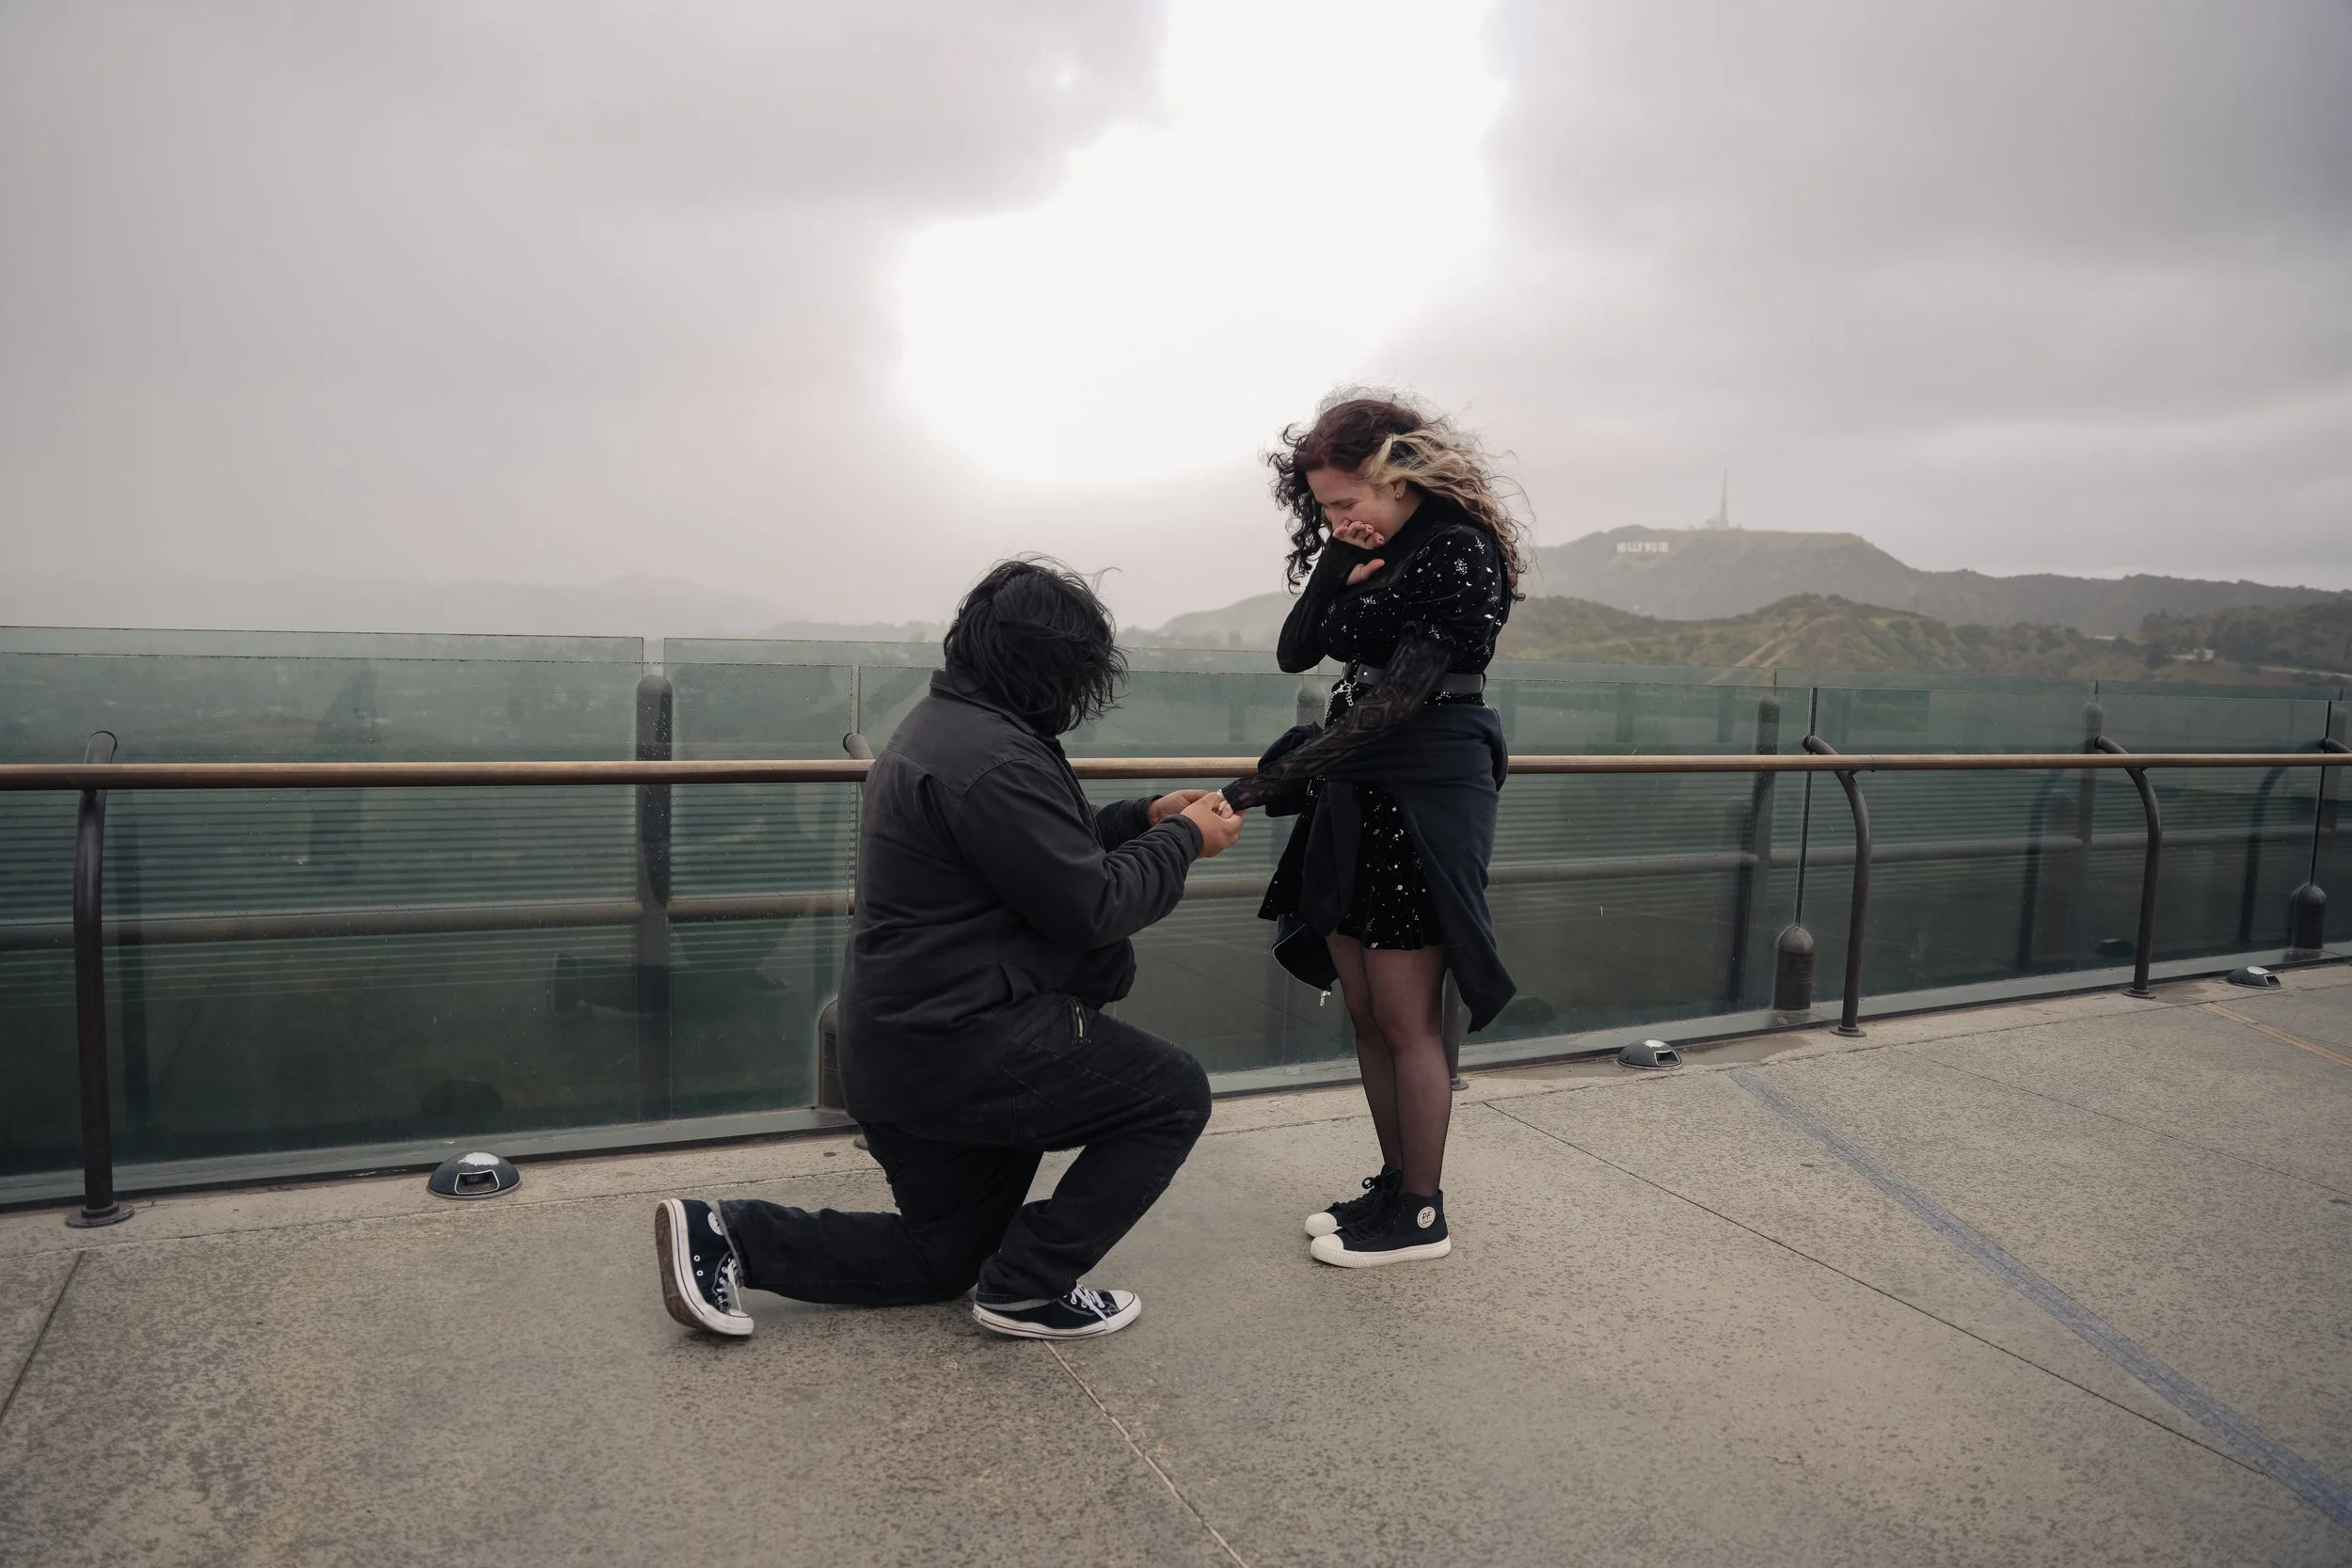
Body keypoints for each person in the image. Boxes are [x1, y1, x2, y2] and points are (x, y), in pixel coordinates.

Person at [655, 558, 1243, 1340]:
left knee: (941, 1258)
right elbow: (1093, 904)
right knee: (1172, 1093)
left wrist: (1140, 817)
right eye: (1078, 668)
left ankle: (728, 1232)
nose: (1082, 688)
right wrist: (1182, 841)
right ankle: (1031, 1287)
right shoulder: (993, 754)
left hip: (906, 1045)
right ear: (1046, 664)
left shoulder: (955, 726)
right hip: (964, 1041)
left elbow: (1034, 859)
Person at [1221, 392, 1524, 1268]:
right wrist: (1331, 559)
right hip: (1357, 782)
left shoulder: (1459, 552)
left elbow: (1397, 702)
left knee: (1406, 1015)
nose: (1336, 516)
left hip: (1423, 782)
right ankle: (1394, 1182)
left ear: (1399, 472)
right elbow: (1296, 650)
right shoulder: (1371, 543)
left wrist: (1261, 783)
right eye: (1321, 505)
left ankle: (1422, 1212)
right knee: (1363, 1005)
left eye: (1347, 499)